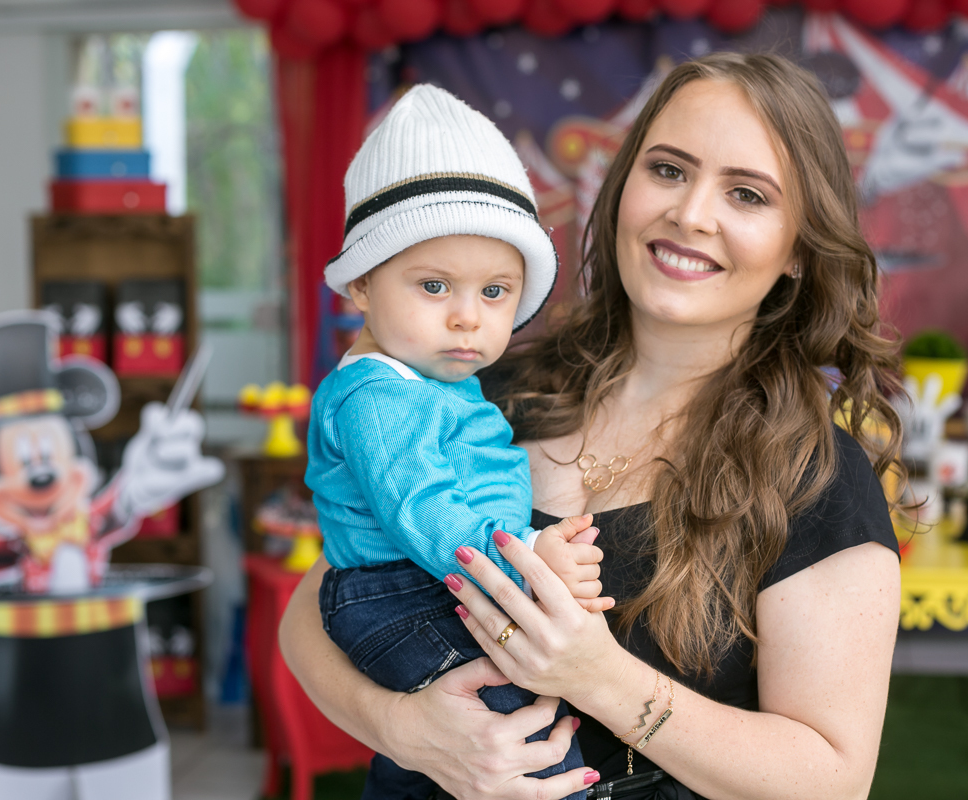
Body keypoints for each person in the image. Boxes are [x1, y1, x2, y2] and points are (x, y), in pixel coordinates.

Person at [283, 51, 903, 800]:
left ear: (800, 249)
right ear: (621, 190)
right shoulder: (484, 390)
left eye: (746, 194)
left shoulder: (818, 481)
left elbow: (830, 781)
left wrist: (597, 677)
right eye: (669, 171)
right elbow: (314, 612)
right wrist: (402, 730)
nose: (691, 214)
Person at [307, 84, 612, 800]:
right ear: (361, 285)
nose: (468, 320)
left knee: (454, 749)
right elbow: (422, 506)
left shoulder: (433, 380)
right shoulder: (379, 395)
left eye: (496, 292)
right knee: (512, 728)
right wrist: (528, 555)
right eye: (435, 286)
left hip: (431, 579)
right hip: (396, 590)